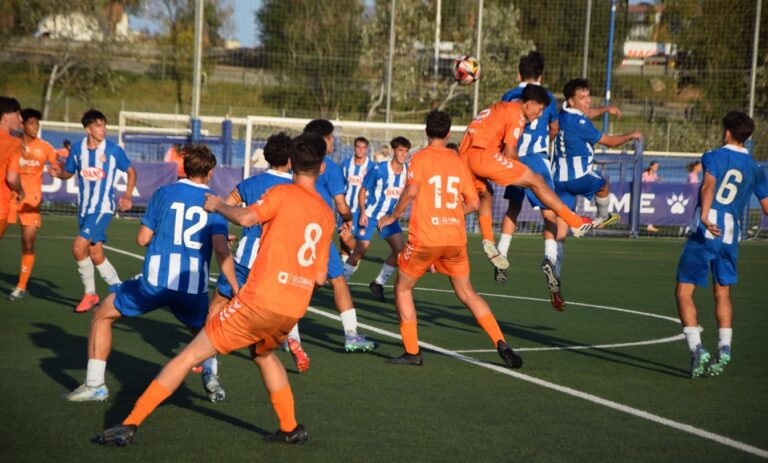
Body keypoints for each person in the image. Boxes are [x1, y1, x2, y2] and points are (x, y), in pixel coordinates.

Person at [92, 133, 335, 447]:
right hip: (292, 308)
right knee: (264, 355)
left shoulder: (282, 193)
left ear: (291, 162)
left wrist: (219, 205)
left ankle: (129, 424)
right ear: (323, 167)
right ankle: (289, 428)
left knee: (189, 354)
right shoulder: (326, 213)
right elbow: (318, 277)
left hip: (259, 301)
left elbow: (246, 216)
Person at [63, 145, 238, 403]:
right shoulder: (216, 203)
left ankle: (95, 385)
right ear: (210, 173)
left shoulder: (165, 192)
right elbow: (222, 251)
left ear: (184, 168)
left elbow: (142, 239)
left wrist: (166, 235)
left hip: (155, 282)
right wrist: (235, 286)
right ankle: (210, 377)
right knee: (204, 332)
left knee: (102, 316)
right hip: (191, 288)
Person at [378, 110, 523, 369]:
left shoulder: (419, 158)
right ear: (447, 133)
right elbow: (474, 203)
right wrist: (452, 212)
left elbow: (411, 190)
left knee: (402, 288)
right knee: (467, 293)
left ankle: (412, 351)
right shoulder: (458, 162)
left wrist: (393, 216)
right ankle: (501, 341)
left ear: (426, 131)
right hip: (455, 238)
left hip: (425, 238)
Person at [457, 85, 594, 275]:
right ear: (529, 104)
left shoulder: (498, 107)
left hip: (465, 156)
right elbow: (510, 151)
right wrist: (523, 175)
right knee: (537, 180)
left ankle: (487, 240)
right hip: (483, 156)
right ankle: (576, 222)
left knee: (484, 196)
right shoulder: (516, 114)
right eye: (538, 110)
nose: (538, 115)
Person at [675, 111, 768, 378]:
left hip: (708, 230)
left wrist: (704, 214)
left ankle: (697, 351)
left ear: (726, 132)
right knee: (723, 293)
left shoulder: (714, 156)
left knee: (683, 291)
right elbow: (766, 206)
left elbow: (709, 186)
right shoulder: (755, 168)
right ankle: (724, 349)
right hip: (731, 233)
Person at [211, 132, 310, 371]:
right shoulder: (296, 189)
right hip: (279, 261)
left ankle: (207, 358)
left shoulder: (250, 184)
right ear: (290, 160)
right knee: (282, 306)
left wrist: (224, 234)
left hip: (246, 258)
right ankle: (294, 343)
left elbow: (224, 207)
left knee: (218, 302)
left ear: (267, 157)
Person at [547, 79, 642, 310]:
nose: (588, 101)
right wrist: (631, 135)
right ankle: (601, 219)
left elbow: (587, 113)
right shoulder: (580, 122)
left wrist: (606, 109)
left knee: (560, 232)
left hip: (558, 180)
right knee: (603, 184)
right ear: (572, 100)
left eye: (589, 96)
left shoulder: (563, 115)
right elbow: (609, 142)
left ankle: (553, 276)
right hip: (579, 178)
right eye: (583, 97)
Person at [47, 109, 137, 313]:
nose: (103, 129)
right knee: (95, 254)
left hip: (102, 208)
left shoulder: (113, 150)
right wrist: (58, 173)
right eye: (98, 125)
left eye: (104, 125)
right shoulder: (78, 149)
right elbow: (69, 172)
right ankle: (119, 289)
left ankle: (90, 294)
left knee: (78, 248)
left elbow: (131, 172)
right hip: (85, 209)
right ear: (88, 129)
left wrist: (128, 195)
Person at [301, 119, 375, 352]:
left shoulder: (296, 162)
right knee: (337, 280)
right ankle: (351, 334)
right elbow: (341, 203)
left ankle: (288, 335)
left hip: (293, 228)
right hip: (318, 233)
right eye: (331, 137)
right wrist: (348, 219)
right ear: (323, 139)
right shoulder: (330, 168)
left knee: (298, 280)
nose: (333, 141)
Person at [494, 51, 560, 286]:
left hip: (513, 158)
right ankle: (550, 257)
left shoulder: (510, 95)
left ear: (518, 73)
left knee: (513, 207)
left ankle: (501, 253)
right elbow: (554, 128)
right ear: (540, 76)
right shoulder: (548, 97)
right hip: (537, 159)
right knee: (549, 210)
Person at [343, 136, 410, 302]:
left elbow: (410, 193)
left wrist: (398, 212)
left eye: (406, 151)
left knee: (400, 253)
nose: (404, 154)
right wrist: (363, 212)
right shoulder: (379, 169)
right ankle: (342, 284)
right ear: (394, 151)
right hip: (371, 215)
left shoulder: (408, 172)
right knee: (360, 249)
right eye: (401, 150)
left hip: (389, 218)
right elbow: (363, 190)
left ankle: (378, 283)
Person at [6, 108, 59, 301]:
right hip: (9, 199)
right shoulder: (11, 144)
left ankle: (21, 286)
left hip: (32, 201)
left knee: (28, 244)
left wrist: (56, 168)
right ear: (22, 124)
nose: (35, 127)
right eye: (31, 123)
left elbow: (57, 164)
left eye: (37, 123)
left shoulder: (44, 147)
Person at [338, 136, 374, 259]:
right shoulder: (346, 164)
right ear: (354, 148)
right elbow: (340, 185)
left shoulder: (372, 167)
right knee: (343, 242)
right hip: (346, 209)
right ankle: (345, 270)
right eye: (358, 147)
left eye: (363, 148)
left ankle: (354, 260)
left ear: (367, 150)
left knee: (354, 242)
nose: (360, 150)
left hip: (362, 211)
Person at [0, 96, 25, 241]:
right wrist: (21, 191)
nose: (21, 119)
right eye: (17, 114)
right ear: (5, 117)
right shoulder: (14, 143)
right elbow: (12, 178)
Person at [642, 161, 661, 233]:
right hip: (643, 194)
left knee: (650, 210)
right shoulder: (645, 174)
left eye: (657, 167)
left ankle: (649, 226)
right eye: (655, 166)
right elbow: (641, 183)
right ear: (651, 166)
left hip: (651, 195)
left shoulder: (655, 175)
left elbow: (657, 181)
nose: (656, 168)